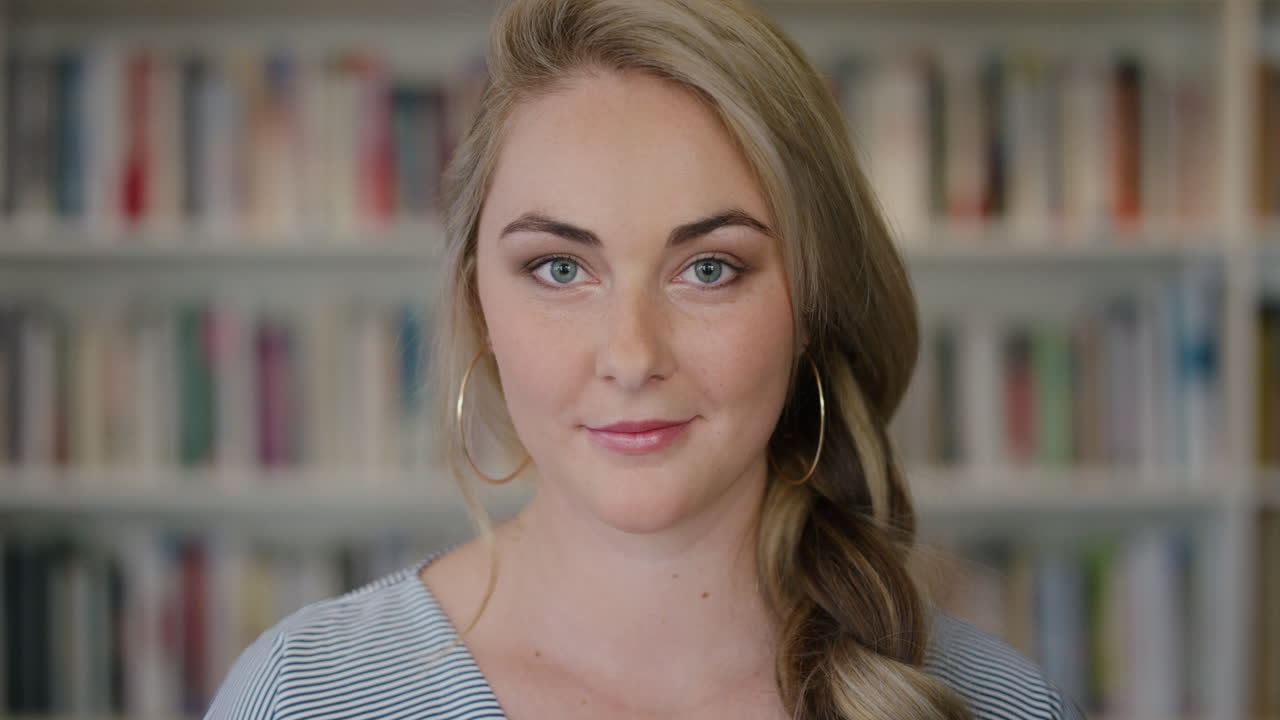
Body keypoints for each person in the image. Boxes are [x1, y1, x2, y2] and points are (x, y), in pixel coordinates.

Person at [206, 0, 1089, 718]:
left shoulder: (995, 703)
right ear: (481, 305)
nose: (632, 357)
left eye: (709, 269)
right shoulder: (304, 696)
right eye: (560, 268)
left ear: (810, 305)